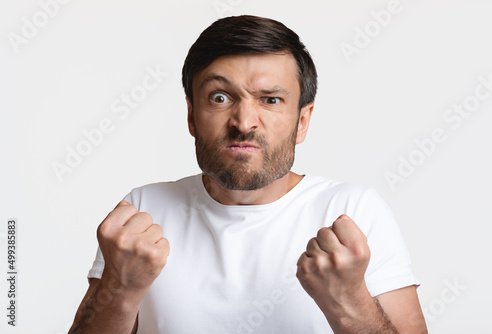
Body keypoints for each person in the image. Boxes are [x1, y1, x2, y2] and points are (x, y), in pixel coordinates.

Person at [69, 15, 427, 333]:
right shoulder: (144, 210)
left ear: (302, 121)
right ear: (192, 116)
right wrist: (119, 287)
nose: (243, 123)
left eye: (270, 100)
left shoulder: (354, 211)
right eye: (220, 97)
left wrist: (349, 302)